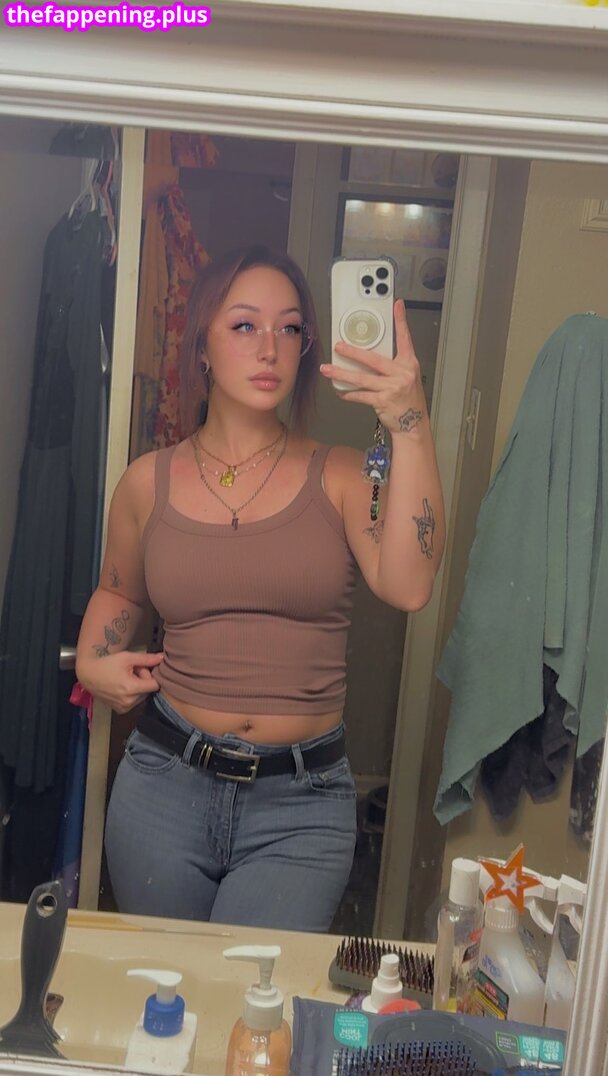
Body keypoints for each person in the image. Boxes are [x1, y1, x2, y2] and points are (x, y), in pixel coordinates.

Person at [75, 245, 445, 931]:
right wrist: (93, 663)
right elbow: (120, 594)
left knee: (256, 992)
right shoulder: (146, 481)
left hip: (301, 805)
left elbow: (410, 584)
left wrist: (409, 420)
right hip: (163, 786)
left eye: (290, 327)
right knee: (167, 984)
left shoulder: (343, 476)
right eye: (244, 325)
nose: (270, 347)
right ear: (203, 347)